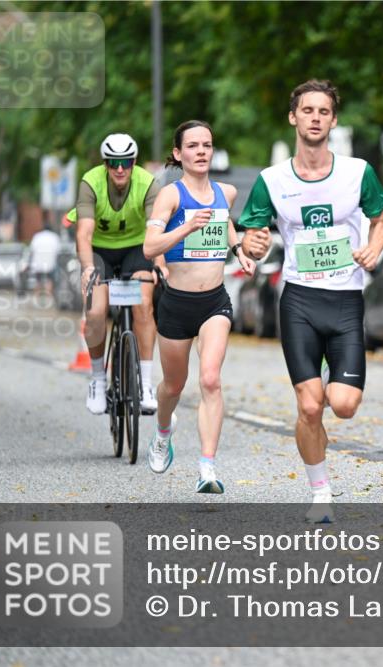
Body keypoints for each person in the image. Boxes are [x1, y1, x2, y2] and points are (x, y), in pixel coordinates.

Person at [239, 80, 383, 523]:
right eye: (307, 111)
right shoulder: (271, 181)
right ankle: (320, 491)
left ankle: (321, 407)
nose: (315, 118)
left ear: (333, 120)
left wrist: (374, 248)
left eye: (323, 112)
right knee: (309, 405)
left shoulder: (357, 172)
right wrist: (253, 246)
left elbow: (380, 220)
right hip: (300, 300)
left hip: (345, 300)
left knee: (341, 404)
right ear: (294, 117)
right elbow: (252, 239)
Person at [143, 120, 255, 494]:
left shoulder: (227, 191)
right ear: (178, 154)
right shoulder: (170, 196)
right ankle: (163, 431)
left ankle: (207, 468)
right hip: (176, 303)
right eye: (192, 146)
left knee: (210, 379)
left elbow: (224, 225)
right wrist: (185, 229)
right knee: (173, 386)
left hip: (214, 302)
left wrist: (239, 251)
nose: (201, 151)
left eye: (207, 144)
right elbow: (149, 247)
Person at [71, 133, 165, 415]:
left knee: (144, 305)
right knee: (97, 311)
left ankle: (146, 383)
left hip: (137, 249)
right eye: (114, 163)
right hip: (99, 251)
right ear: (105, 164)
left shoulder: (148, 183)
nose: (120, 169)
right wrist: (88, 267)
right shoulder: (91, 182)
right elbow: (84, 234)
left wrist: (159, 262)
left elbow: (156, 226)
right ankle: (98, 380)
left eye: (125, 162)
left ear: (134, 162)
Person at [28, 223, 61, 296]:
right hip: (50, 263)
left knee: (37, 280)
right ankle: (48, 295)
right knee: (49, 280)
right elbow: (58, 251)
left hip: (37, 263)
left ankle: (36, 296)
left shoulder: (37, 236)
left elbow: (31, 250)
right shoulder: (55, 237)